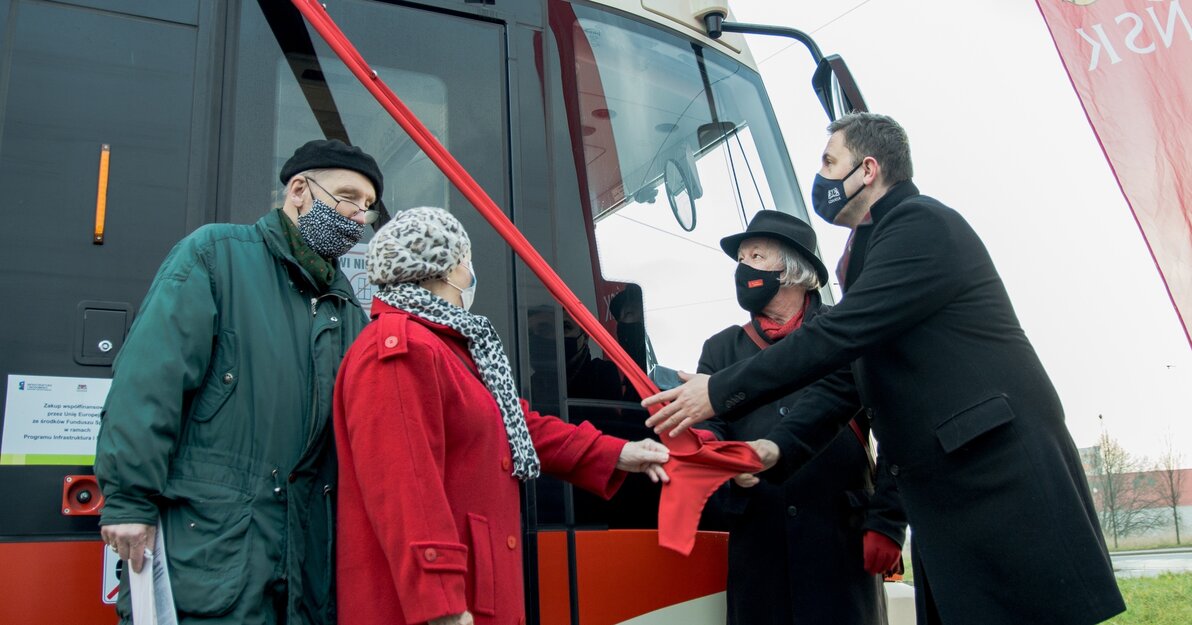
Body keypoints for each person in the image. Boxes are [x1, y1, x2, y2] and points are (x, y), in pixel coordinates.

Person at [643, 113, 1125, 625]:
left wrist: (720, 390)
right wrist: (775, 447)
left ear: (868, 169)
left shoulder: (920, 225)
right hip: (951, 499)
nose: (821, 176)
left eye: (830, 161)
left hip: (997, 486)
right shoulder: (871, 253)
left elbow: (837, 335)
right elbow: (846, 379)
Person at [333, 206, 670, 625]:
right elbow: (405, 488)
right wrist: (441, 605)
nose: (471, 270)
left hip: (476, 589)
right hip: (440, 607)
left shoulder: (447, 345)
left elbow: (516, 424)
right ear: (450, 267)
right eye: (467, 259)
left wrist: (617, 452)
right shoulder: (402, 349)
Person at [94, 138, 384, 624]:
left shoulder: (349, 309)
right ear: (299, 190)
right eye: (349, 196)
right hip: (211, 549)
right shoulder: (215, 255)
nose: (359, 215)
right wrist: (128, 500)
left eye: (370, 207)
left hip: (304, 563)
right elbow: (150, 382)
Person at [695, 210, 905, 625]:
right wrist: (727, 471)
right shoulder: (720, 350)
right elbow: (706, 435)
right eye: (740, 259)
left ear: (792, 270)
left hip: (842, 549)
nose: (743, 269)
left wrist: (888, 520)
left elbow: (896, 428)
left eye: (755, 256)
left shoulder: (846, 331)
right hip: (759, 552)